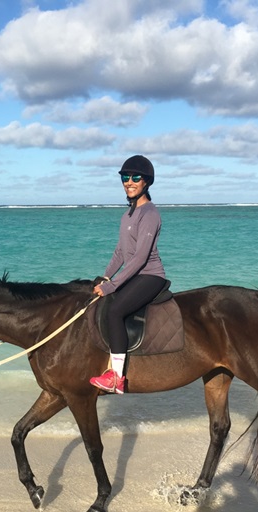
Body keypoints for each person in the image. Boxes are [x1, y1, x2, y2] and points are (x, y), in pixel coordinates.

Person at [90, 155, 167, 394]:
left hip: (151, 276)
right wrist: (104, 277)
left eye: (135, 177)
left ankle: (116, 378)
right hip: (135, 275)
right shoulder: (128, 215)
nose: (129, 182)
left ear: (146, 182)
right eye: (125, 177)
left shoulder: (150, 214)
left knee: (115, 311)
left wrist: (112, 286)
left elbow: (140, 258)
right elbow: (120, 252)